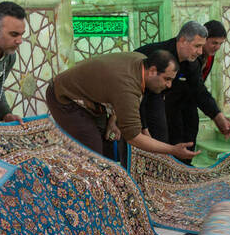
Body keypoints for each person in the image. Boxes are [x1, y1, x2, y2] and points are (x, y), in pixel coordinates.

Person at [46, 49, 199, 161]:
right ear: (153, 71)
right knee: (93, 151)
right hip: (63, 97)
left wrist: (113, 121)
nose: (169, 85)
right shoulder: (127, 87)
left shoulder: (140, 61)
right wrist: (173, 150)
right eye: (167, 79)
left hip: (92, 101)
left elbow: (113, 90)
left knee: (108, 146)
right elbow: (134, 137)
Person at [137, 21, 230, 164]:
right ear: (182, 41)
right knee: (158, 137)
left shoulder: (192, 62)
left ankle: (183, 167)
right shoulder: (159, 56)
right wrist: (144, 127)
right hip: (142, 96)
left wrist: (217, 116)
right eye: (197, 46)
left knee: (190, 124)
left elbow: (199, 90)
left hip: (170, 101)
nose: (200, 52)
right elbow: (141, 96)